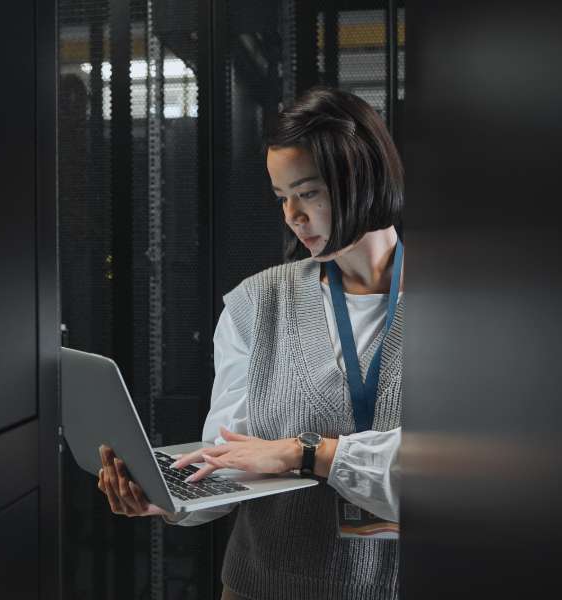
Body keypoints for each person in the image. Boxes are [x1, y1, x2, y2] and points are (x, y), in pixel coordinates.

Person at [97, 86, 405, 599]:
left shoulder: (462, 302)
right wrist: (169, 498)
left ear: (360, 180)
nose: (292, 216)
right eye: (282, 197)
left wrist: (304, 453)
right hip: (263, 587)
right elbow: (230, 456)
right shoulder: (254, 304)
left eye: (308, 193)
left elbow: (459, 468)